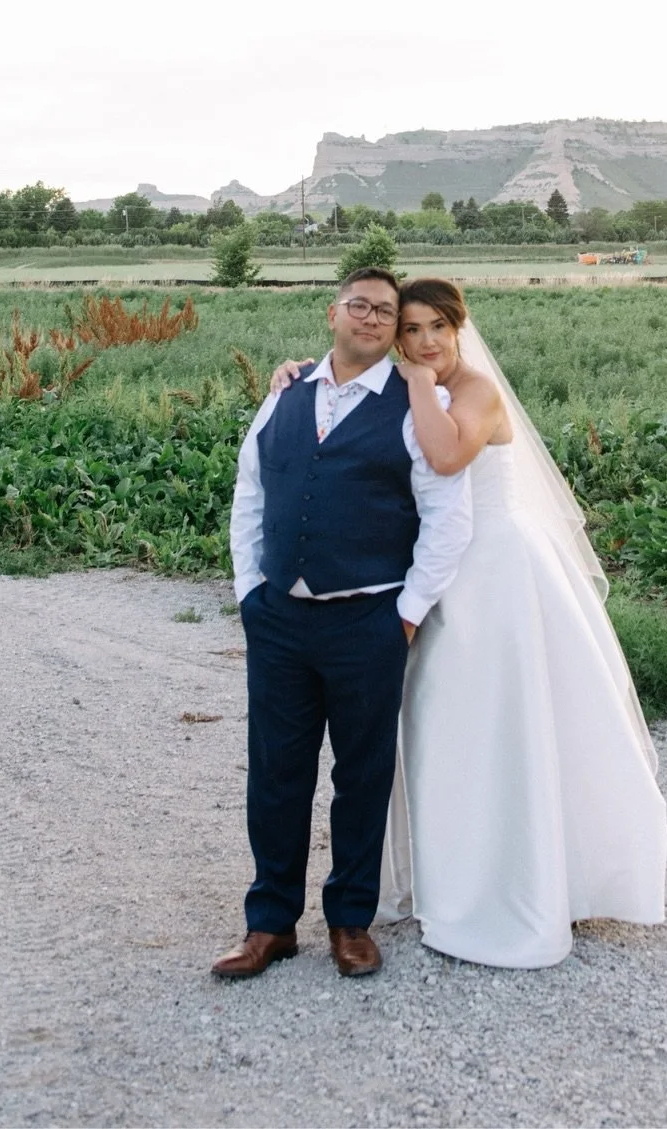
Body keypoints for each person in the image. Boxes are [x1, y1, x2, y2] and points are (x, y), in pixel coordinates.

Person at [269, 276, 667, 969]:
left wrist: (420, 382)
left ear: (459, 327)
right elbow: (347, 393)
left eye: (436, 329)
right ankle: (449, 879)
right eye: (411, 331)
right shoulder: (404, 380)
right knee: (440, 730)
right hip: (437, 575)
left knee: (512, 728)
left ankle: (528, 880)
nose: (424, 342)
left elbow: (449, 454)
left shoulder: (474, 389)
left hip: (500, 575)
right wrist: (299, 373)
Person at [212, 268, 473, 982]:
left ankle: (349, 921)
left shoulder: (418, 403)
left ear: (395, 330)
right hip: (280, 619)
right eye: (359, 304)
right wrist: (250, 593)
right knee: (276, 773)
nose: (370, 317)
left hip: (369, 618)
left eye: (385, 311)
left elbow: (449, 518)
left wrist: (407, 613)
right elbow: (252, 489)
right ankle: (269, 924)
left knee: (362, 774)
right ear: (333, 313)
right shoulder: (285, 394)